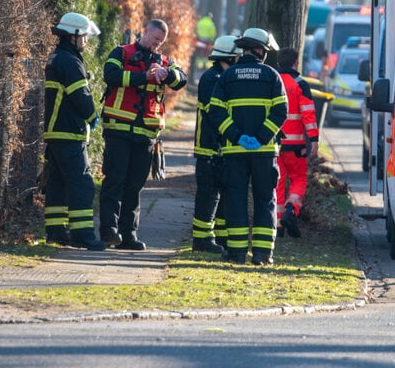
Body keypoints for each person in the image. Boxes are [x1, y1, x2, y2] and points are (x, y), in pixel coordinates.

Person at [100, 18, 187, 250]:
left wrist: (166, 74)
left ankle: (128, 234)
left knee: (135, 185)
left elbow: (181, 79)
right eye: (155, 39)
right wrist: (143, 77)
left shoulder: (165, 61)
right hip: (119, 130)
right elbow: (110, 75)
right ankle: (109, 230)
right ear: (144, 31)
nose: (157, 44)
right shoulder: (121, 52)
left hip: (146, 134)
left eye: (161, 41)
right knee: (114, 181)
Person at [207, 27, 287, 265]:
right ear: (260, 50)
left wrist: (237, 135)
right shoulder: (272, 75)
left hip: (234, 152)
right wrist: (262, 137)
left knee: (236, 200)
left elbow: (216, 111)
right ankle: (262, 255)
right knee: (265, 199)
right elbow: (281, 111)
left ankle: (237, 253)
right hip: (264, 153)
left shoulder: (228, 76)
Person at [42, 12, 106, 250]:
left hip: (57, 132)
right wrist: (92, 117)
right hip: (69, 132)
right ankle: (83, 235)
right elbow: (81, 95)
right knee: (83, 184)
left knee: (58, 183)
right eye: (84, 37)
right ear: (73, 36)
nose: (86, 42)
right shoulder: (70, 61)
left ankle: (56, 232)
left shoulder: (57, 57)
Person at [190, 35, 240, 255]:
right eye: (237, 55)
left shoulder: (223, 77)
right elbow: (217, 113)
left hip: (221, 147)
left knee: (223, 192)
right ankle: (201, 238)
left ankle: (221, 235)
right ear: (229, 56)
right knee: (208, 194)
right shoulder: (212, 78)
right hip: (209, 146)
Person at [275, 46, 319, 238]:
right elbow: (308, 114)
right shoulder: (300, 84)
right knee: (299, 179)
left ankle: (277, 224)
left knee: (278, 182)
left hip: (274, 145)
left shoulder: (273, 82)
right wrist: (314, 140)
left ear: (278, 64)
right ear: (296, 62)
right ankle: (292, 209)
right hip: (296, 146)